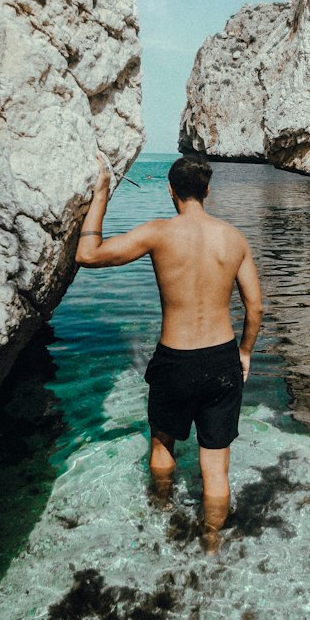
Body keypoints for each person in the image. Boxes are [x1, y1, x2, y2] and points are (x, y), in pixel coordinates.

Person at [75, 154, 263, 548]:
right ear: (208, 190)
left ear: (170, 190)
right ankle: (212, 545)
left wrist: (102, 193)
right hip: (222, 361)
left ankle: (159, 522)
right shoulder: (234, 238)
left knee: (163, 444)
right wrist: (244, 351)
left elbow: (88, 255)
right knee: (215, 467)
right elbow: (256, 308)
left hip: (175, 361)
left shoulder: (157, 232)